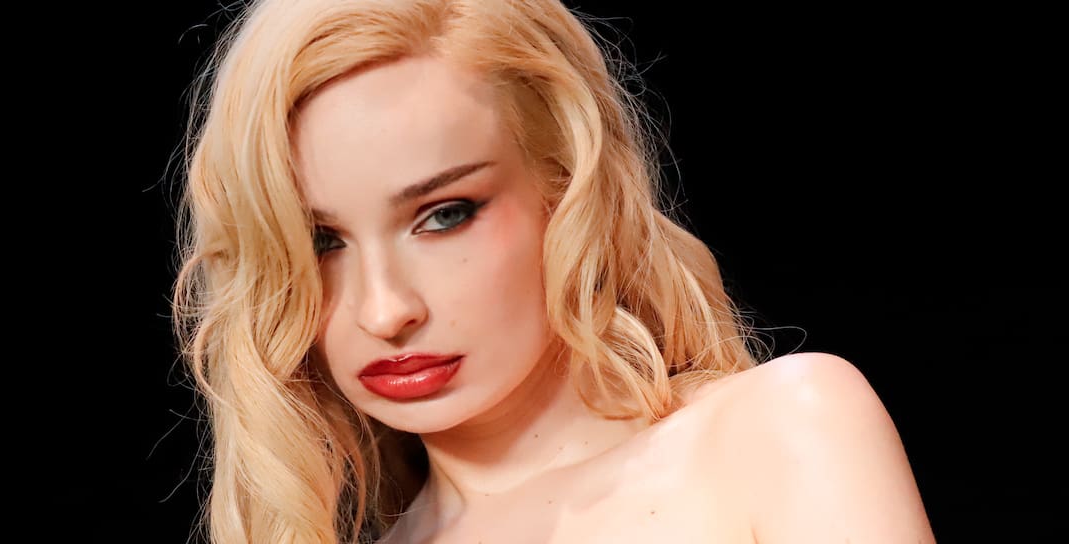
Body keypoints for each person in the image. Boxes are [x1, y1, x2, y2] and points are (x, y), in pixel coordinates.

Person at [171, 0, 935, 542]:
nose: (385, 309)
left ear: (567, 189)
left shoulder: (780, 432)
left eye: (445, 214)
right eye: (319, 242)